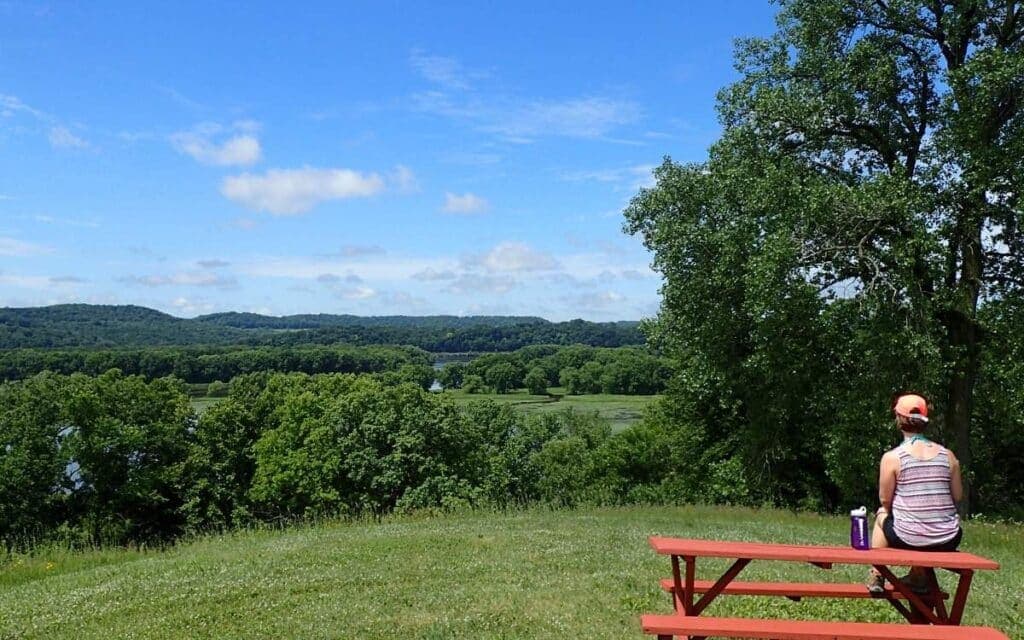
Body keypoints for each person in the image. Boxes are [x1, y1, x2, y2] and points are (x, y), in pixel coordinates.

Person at [866, 394, 963, 593]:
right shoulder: (948, 456)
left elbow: (885, 500)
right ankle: (918, 575)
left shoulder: (892, 457)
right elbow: (958, 495)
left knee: (881, 514)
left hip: (908, 537)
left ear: (899, 420)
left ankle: (876, 574)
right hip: (948, 538)